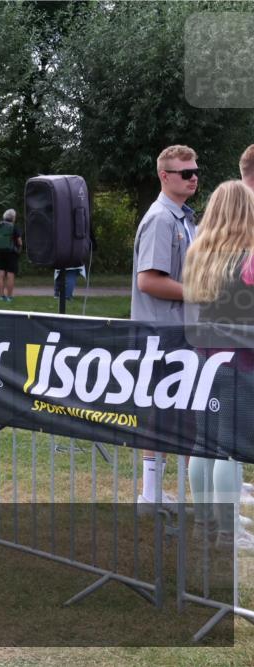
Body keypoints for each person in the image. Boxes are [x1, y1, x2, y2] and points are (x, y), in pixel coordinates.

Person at [183, 180, 254, 550]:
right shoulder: (249, 256)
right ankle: (229, 534)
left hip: (204, 358)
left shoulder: (199, 252)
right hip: (241, 360)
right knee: (231, 447)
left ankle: (205, 524)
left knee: (204, 443)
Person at [131, 144, 199, 511]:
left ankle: (170, 492)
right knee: (161, 412)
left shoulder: (184, 218)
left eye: (195, 171)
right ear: (164, 176)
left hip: (179, 332)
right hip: (160, 333)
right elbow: (149, 281)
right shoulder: (160, 218)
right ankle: (151, 494)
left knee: (185, 413)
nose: (193, 178)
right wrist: (199, 293)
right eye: (185, 173)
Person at [0, 208, 22, 303]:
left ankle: (1, 296)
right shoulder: (14, 227)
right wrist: (19, 249)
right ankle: (9, 297)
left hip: (0, 252)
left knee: (1, 275)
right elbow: (19, 242)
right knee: (10, 275)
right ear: (13, 217)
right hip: (11, 253)